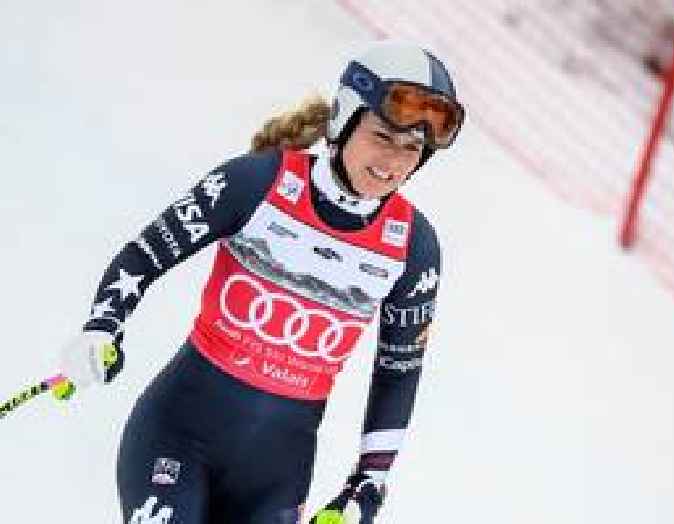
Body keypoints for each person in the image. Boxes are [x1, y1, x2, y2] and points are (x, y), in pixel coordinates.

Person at [57, 40, 465, 524]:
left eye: (412, 149)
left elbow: (398, 372)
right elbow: (145, 255)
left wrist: (368, 484)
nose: (393, 161)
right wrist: (103, 326)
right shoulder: (256, 183)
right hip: (176, 439)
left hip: (275, 481)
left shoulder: (414, 247)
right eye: (382, 136)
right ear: (343, 121)